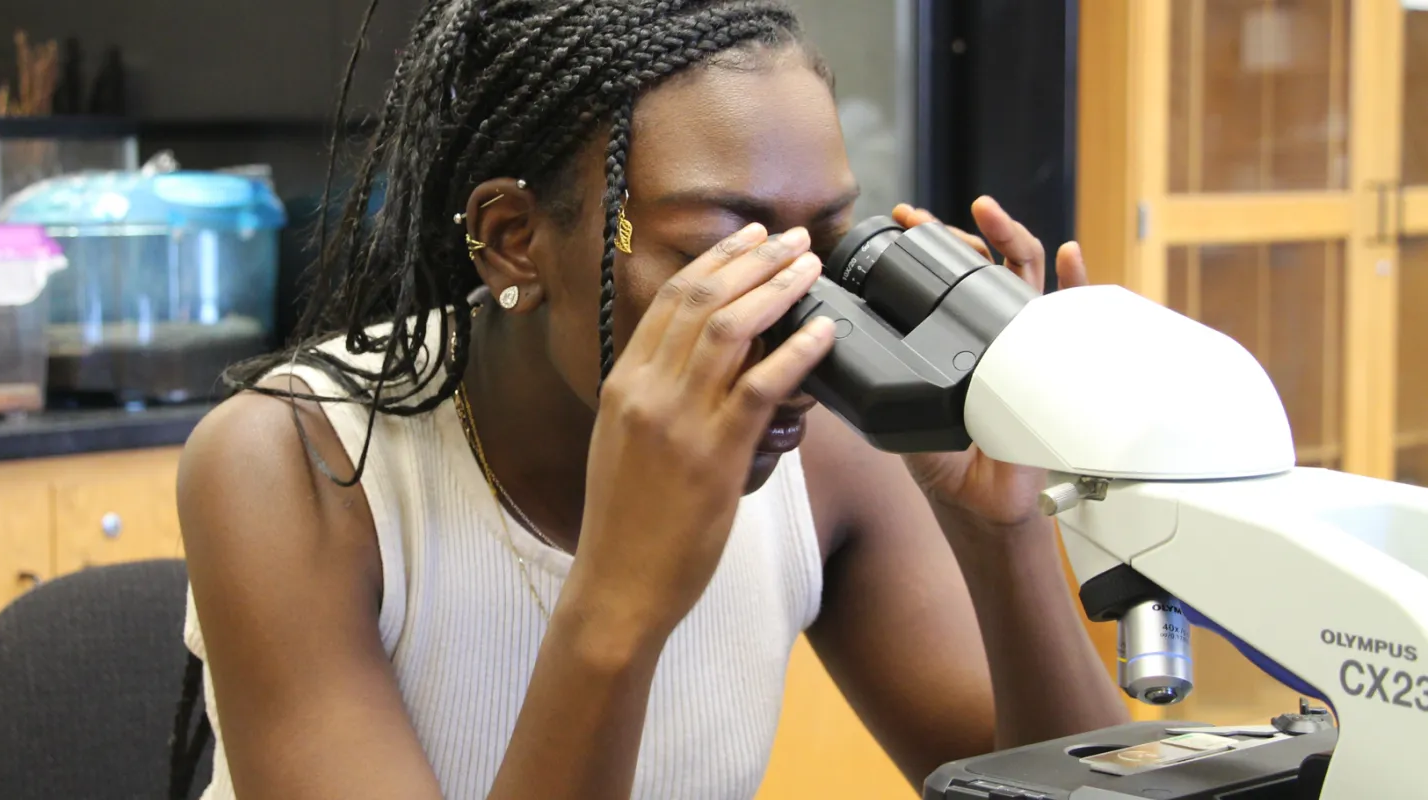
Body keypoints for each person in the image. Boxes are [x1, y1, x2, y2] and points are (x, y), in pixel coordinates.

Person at [176, 1, 1128, 798]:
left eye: (828, 246)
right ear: (513, 241)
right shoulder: (295, 464)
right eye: (721, 251)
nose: (798, 318)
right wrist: (620, 595)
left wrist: (1001, 536)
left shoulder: (826, 457)